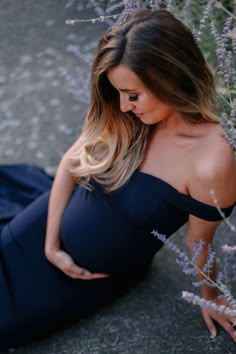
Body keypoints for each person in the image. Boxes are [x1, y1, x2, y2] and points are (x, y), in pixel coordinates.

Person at [0, 9, 236, 350]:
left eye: (133, 95)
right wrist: (51, 245)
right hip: (39, 229)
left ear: (169, 77)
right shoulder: (127, 115)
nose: (124, 106)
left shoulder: (211, 162)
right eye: (119, 94)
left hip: (86, 279)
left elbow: (199, 242)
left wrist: (210, 297)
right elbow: (71, 162)